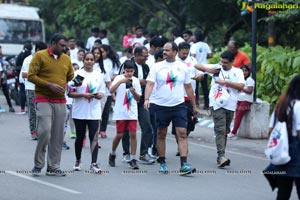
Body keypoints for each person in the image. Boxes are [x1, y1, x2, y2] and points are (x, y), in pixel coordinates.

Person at [144, 42, 199, 175]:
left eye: (168, 50)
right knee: (161, 134)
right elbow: (150, 84)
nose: (164, 52)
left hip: (179, 105)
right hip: (160, 106)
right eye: (164, 50)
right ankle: (162, 162)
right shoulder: (157, 67)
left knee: (182, 133)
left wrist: (194, 106)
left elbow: (188, 87)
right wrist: (147, 99)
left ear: (175, 52)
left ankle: (184, 164)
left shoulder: (183, 67)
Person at [28, 33, 74, 176]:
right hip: (43, 98)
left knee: (58, 135)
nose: (64, 48)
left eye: (65, 46)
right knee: (45, 131)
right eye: (61, 45)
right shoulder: (39, 56)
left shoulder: (66, 59)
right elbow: (31, 76)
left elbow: (70, 75)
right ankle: (38, 164)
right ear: (53, 43)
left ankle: (53, 167)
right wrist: (49, 85)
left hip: (60, 100)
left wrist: (72, 79)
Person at [194, 50, 245, 168]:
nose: (222, 64)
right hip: (216, 104)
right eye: (221, 61)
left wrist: (225, 82)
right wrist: (209, 70)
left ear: (232, 62)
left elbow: (241, 86)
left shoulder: (238, 72)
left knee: (225, 130)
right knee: (220, 129)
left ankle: (220, 157)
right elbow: (197, 65)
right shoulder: (217, 68)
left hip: (230, 104)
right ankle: (221, 156)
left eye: (225, 62)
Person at [263, 75, 300, 200]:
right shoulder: (298, 105)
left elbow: (270, 130)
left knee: (284, 190)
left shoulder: (281, 104)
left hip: (283, 148)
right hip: (296, 148)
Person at [68, 52, 105, 173]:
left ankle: (94, 163)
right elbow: (70, 93)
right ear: (83, 61)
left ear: (94, 61)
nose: (89, 61)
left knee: (94, 137)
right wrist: (83, 95)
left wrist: (99, 95)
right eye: (87, 59)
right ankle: (78, 160)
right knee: (80, 137)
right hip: (80, 111)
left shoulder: (98, 75)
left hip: (94, 111)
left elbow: (102, 91)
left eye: (91, 59)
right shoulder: (78, 75)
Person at [121, 46, 155, 164]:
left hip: (141, 101)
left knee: (147, 126)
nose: (146, 58)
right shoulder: (128, 64)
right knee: (127, 128)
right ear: (136, 55)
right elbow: (123, 80)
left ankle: (143, 153)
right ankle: (126, 153)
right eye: (144, 56)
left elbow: (149, 82)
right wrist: (139, 81)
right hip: (128, 101)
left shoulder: (146, 67)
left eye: (147, 56)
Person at [108, 60, 141, 170]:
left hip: (132, 112)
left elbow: (138, 98)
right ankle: (112, 153)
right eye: (127, 71)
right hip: (121, 111)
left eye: (131, 71)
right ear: (123, 70)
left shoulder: (136, 81)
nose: (129, 74)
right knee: (119, 135)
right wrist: (120, 81)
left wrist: (134, 92)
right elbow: (111, 90)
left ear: (134, 71)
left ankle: (133, 159)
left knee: (133, 134)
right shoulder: (119, 78)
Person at [172, 42, 203, 155]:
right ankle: (181, 145)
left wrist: (199, 76)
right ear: (178, 51)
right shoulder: (174, 61)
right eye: (183, 53)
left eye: (187, 53)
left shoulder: (193, 61)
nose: (185, 55)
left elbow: (200, 74)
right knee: (179, 123)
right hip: (177, 96)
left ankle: (182, 140)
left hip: (190, 96)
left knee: (190, 123)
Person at [20, 41, 48, 140]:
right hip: (31, 88)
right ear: (37, 50)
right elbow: (23, 74)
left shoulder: (45, 59)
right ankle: (33, 131)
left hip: (43, 88)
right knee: (33, 111)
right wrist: (36, 76)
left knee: (43, 111)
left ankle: (42, 130)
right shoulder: (28, 59)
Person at [227, 65, 255, 139]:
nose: (244, 72)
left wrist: (241, 88)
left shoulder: (250, 80)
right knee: (236, 116)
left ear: (249, 72)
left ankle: (233, 133)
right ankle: (233, 132)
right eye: (243, 71)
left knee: (239, 115)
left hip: (246, 100)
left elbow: (249, 91)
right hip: (239, 100)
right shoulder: (240, 80)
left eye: (246, 71)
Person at [99, 44, 120, 138]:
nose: (100, 53)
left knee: (105, 111)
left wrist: (107, 79)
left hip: (108, 89)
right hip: (97, 89)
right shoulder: (96, 62)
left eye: (102, 51)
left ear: (107, 52)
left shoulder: (112, 62)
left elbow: (116, 74)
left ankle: (103, 130)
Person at [190, 30, 212, 109]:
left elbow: (193, 56)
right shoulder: (205, 45)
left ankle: (196, 103)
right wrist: (204, 57)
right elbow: (210, 55)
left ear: (195, 36)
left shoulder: (194, 46)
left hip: (196, 68)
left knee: (195, 87)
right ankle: (207, 104)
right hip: (204, 68)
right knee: (205, 87)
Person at [16, 42, 33, 114]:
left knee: (22, 91)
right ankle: (28, 108)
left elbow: (17, 66)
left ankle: (22, 108)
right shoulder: (30, 56)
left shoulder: (20, 54)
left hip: (22, 75)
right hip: (29, 75)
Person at [0, 45, 15, 112]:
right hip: (1, 78)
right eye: (0, 49)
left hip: (3, 79)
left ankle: (10, 106)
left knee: (6, 93)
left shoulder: (1, 58)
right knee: (6, 92)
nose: (1, 51)